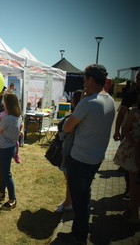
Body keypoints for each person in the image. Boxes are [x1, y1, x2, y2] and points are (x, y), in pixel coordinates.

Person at [57, 64, 115, 244]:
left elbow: (67, 126)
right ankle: (79, 232)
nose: (83, 83)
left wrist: (81, 102)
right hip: (96, 159)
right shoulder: (110, 100)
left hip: (80, 159)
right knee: (84, 197)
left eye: (84, 79)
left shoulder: (88, 103)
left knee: (80, 202)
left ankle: (79, 236)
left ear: (91, 79)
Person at [0, 92, 21, 209]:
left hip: (5, 149)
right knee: (2, 171)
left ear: (8, 104)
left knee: (6, 174)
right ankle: (1, 193)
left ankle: (12, 198)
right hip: (9, 147)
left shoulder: (7, 118)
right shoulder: (17, 116)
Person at [54, 89, 83, 213]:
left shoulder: (77, 115)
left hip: (70, 151)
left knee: (70, 179)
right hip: (72, 150)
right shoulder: (80, 114)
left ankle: (69, 202)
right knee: (69, 180)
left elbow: (65, 130)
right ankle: (69, 200)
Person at [113, 72, 140, 197]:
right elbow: (122, 113)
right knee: (130, 166)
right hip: (131, 135)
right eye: (138, 78)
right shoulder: (131, 94)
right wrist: (117, 130)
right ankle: (129, 189)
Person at [114, 99, 140, 223]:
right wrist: (131, 141)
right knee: (134, 183)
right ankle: (133, 212)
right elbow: (126, 128)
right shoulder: (134, 111)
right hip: (134, 148)